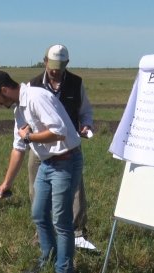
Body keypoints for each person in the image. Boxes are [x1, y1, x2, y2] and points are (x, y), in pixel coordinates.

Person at [0, 70, 83, 273]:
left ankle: (64, 272)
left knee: (61, 220)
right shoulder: (19, 109)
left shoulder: (37, 98)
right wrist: (6, 183)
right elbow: (18, 147)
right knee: (38, 213)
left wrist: (29, 137)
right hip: (47, 164)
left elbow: (59, 132)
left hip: (66, 161)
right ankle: (49, 258)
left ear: (4, 90)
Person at [28, 44, 94, 239]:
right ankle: (43, 230)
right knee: (36, 188)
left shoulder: (76, 83)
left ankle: (77, 232)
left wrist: (86, 125)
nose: (56, 71)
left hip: (69, 147)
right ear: (45, 62)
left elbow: (86, 111)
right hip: (40, 147)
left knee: (75, 190)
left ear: (67, 63)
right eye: (52, 66)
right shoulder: (33, 85)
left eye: (60, 67)